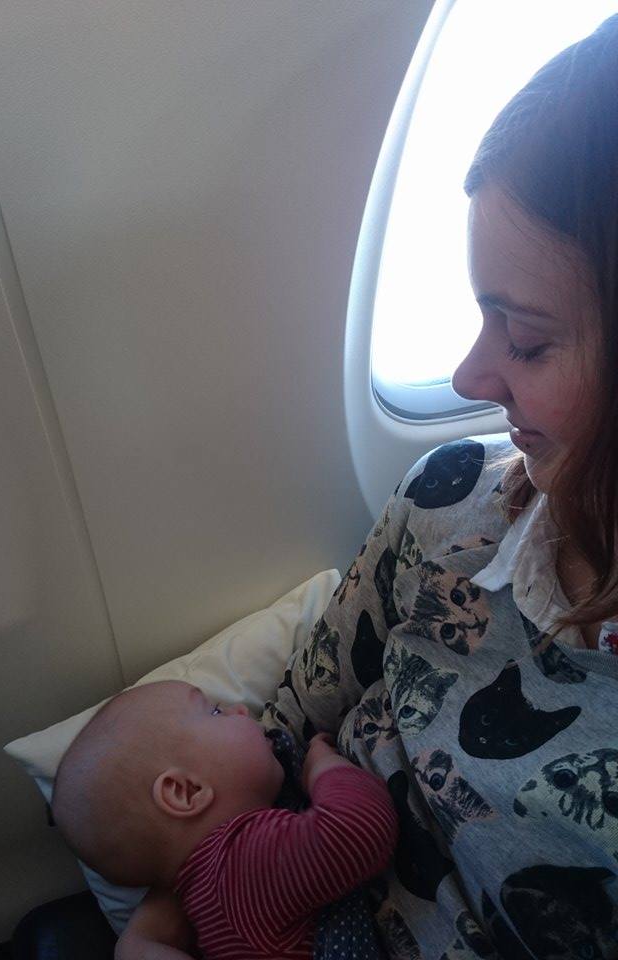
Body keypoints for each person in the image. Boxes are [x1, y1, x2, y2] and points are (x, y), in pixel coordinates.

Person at [122, 14, 618, 958]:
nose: (469, 378)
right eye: (483, 318)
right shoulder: (448, 497)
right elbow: (277, 735)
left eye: (528, 340)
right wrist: (163, 920)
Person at [51, 679, 398, 960]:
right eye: (216, 712)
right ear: (185, 792)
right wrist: (323, 766)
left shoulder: (204, 898)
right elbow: (360, 830)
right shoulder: (239, 865)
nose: (241, 710)